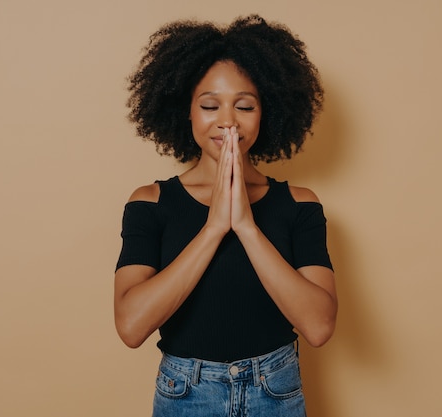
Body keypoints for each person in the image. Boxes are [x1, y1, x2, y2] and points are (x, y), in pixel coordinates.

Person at [114, 14, 337, 417]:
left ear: (266, 111)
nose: (228, 120)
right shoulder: (150, 203)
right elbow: (131, 327)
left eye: (245, 105)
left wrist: (247, 227)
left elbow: (319, 327)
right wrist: (214, 227)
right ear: (187, 110)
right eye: (210, 105)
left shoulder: (300, 205)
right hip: (186, 393)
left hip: (276, 391)